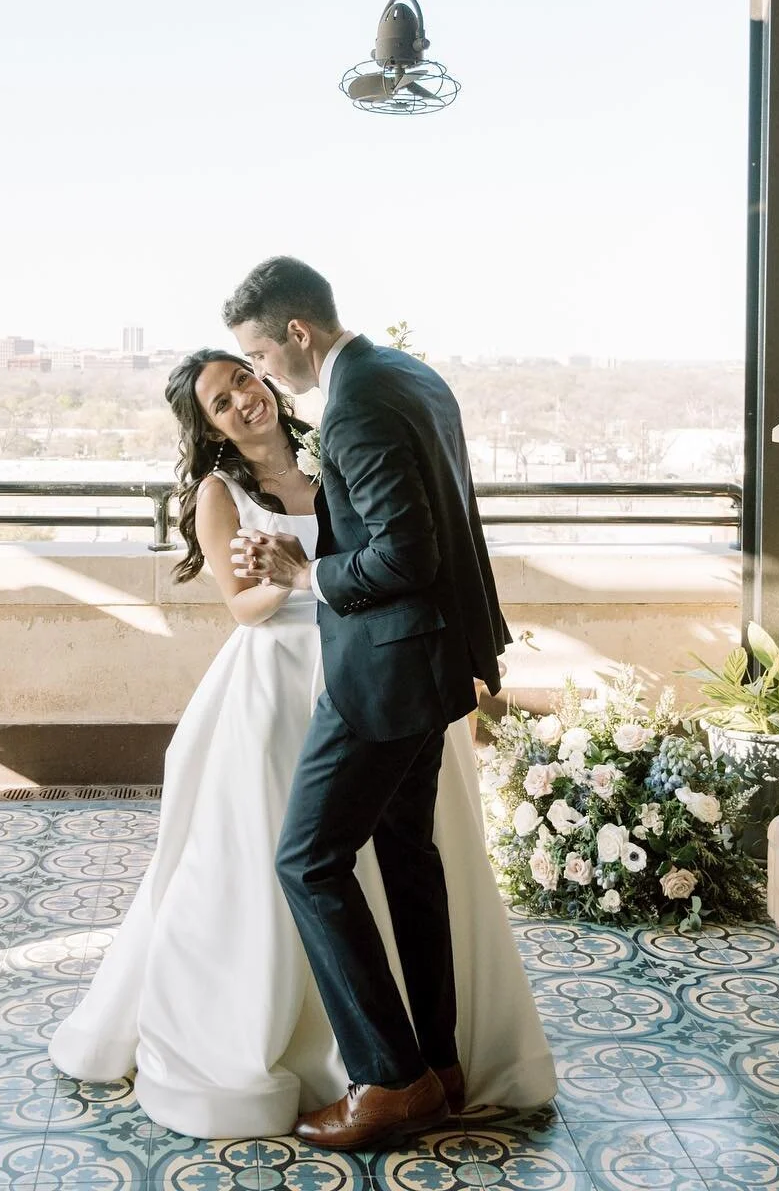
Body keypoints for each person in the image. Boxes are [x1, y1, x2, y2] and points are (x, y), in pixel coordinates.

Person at [46, 341, 555, 1140]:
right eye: (222, 400)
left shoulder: (332, 440)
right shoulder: (221, 492)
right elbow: (241, 604)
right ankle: (350, 1055)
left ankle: (419, 1064)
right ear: (210, 430)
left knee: (406, 855)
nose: (244, 398)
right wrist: (291, 577)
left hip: (379, 665)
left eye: (244, 378)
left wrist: (305, 565)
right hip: (283, 680)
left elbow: (387, 547)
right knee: (287, 858)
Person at [225, 257, 540, 1149]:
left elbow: (404, 555)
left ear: (297, 331)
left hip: (383, 672)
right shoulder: (410, 374)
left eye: (259, 354)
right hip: (434, 664)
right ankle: (437, 1066)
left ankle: (390, 1080)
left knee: (307, 861)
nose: (261, 377)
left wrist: (309, 572)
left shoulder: (356, 402)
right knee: (407, 858)